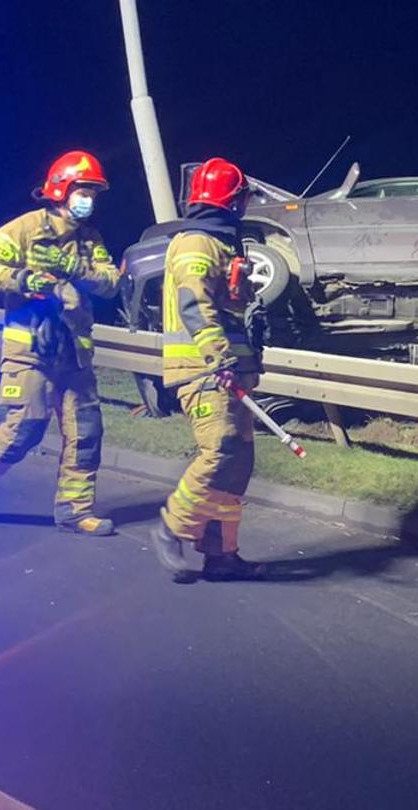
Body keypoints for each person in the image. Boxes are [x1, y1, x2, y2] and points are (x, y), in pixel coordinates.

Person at [0, 150, 124, 534]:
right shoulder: (25, 230)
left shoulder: (89, 241)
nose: (90, 200)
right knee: (27, 424)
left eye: (95, 193)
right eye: (84, 191)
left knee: (86, 432)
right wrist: (23, 281)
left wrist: (77, 269)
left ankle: (75, 511)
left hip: (74, 355)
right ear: (62, 190)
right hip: (29, 350)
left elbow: (111, 282)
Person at [148, 157, 267, 581]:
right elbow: (194, 305)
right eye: (241, 200)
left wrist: (244, 293)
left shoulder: (221, 244)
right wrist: (220, 357)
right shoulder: (197, 243)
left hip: (228, 370)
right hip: (204, 369)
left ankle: (221, 554)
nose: (244, 208)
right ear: (229, 201)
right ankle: (171, 527)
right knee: (219, 452)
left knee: (237, 461)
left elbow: (227, 306)